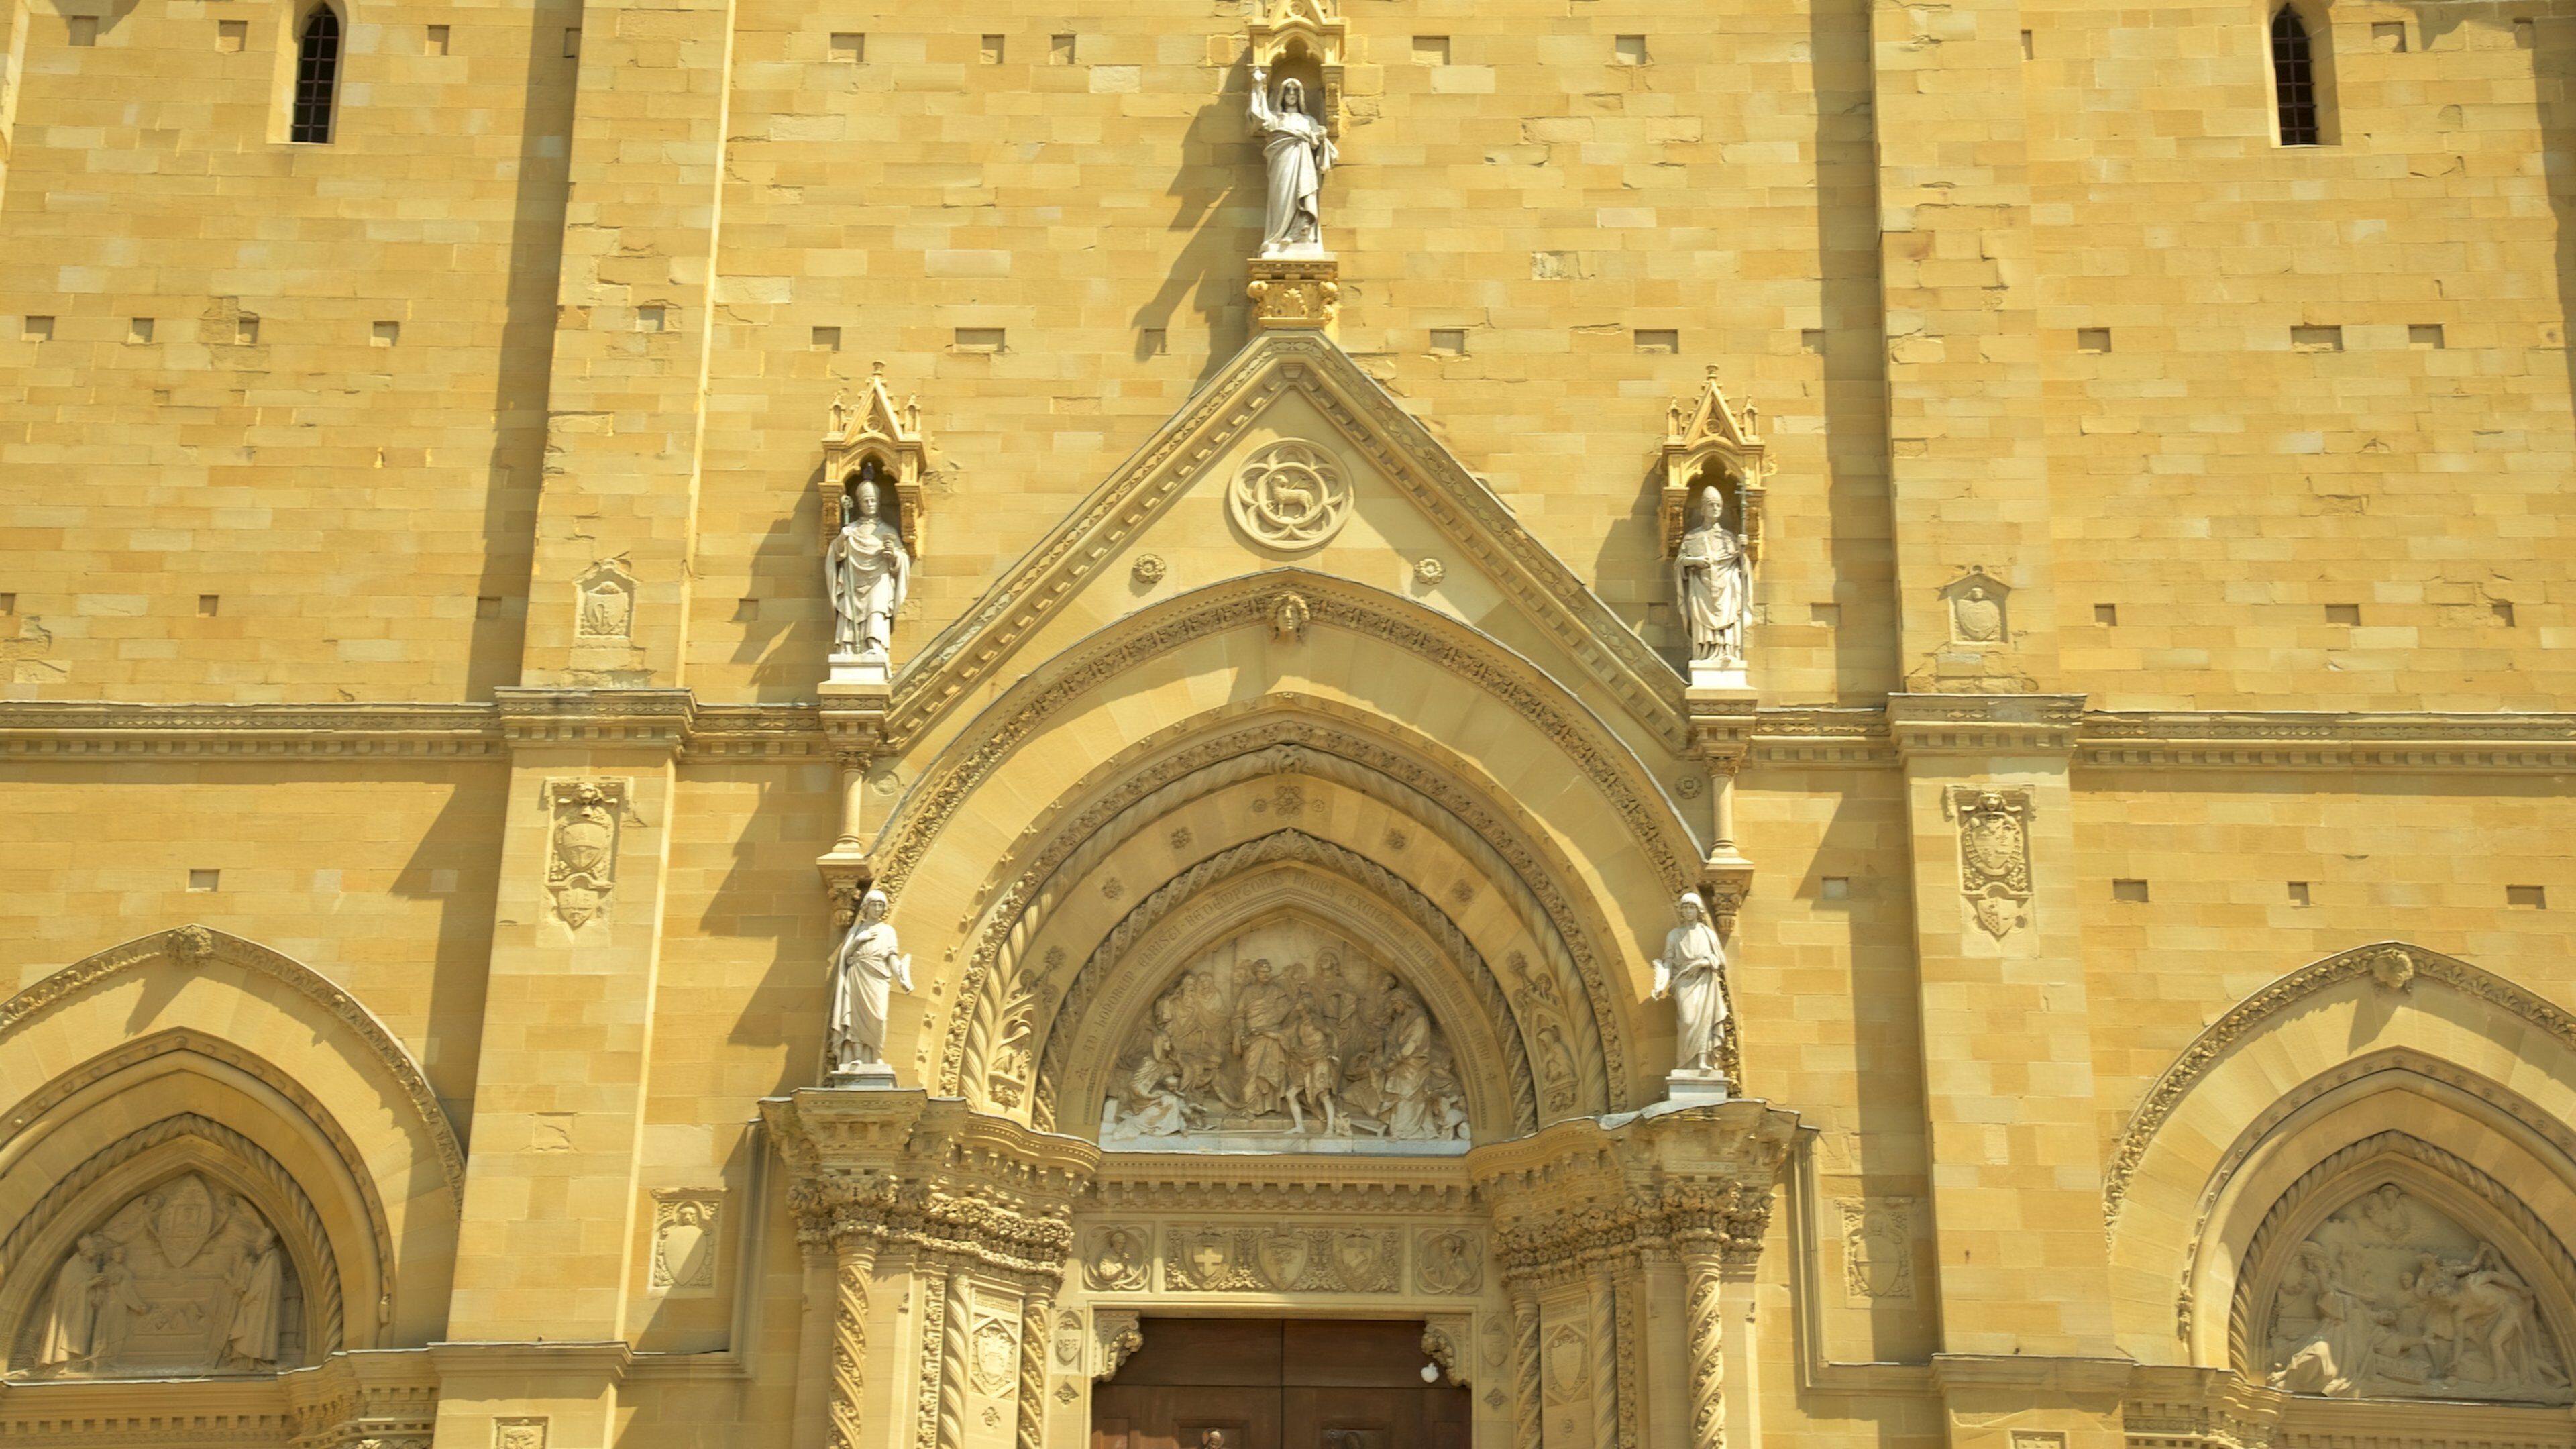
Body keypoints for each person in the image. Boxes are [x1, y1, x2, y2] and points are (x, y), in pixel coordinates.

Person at [1247, 67, 1333, 256]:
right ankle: (1278, 235)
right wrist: (1258, 87)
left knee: (1304, 193)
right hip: (1282, 163)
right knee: (1282, 195)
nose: (1292, 94)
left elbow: (1317, 144)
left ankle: (1299, 233)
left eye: (1295, 91)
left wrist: (1321, 138)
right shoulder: (1276, 118)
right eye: (1288, 91)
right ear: (1282, 95)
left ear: (1300, 95)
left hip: (1303, 162)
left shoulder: (1308, 120)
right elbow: (1259, 118)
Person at [827, 888, 914, 1075]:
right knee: (855, 1018)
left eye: (881, 905)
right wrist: (858, 940)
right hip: (858, 973)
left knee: (879, 1017)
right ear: (866, 907)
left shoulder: (887, 931)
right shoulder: (857, 930)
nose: (877, 909)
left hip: (878, 977)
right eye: (874, 905)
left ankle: (876, 1055)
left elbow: (892, 958)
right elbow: (845, 956)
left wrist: (902, 979)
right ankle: (858, 1056)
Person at [826, 470, 908, 660]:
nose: (871, 505)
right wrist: (842, 538)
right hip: (852, 580)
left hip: (879, 580)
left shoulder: (887, 530)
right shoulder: (851, 530)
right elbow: (835, 555)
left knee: (877, 608)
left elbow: (902, 558)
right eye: (866, 501)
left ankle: (875, 644)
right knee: (849, 609)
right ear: (860, 504)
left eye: (873, 501)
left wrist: (893, 556)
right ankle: (847, 646)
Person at [1653, 891, 1729, 1075]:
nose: (1688, 911)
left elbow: (1721, 960)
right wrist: (1661, 984)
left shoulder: (1707, 933)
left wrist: (1703, 963)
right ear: (1681, 910)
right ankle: (1685, 1062)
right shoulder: (1674, 935)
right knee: (1688, 1020)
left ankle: (1702, 1060)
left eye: (1692, 907)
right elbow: (1668, 962)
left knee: (1704, 1020)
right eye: (1685, 907)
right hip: (1683, 980)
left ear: (1698, 910)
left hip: (1704, 980)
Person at [1675, 486, 1749, 667]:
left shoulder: (1729, 538)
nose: (1715, 508)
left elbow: (1742, 566)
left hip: (1726, 588)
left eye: (1719, 505)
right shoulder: (1692, 537)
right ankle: (1704, 653)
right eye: (1711, 505)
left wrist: (1742, 550)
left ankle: (1726, 652)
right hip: (1702, 588)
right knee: (1702, 623)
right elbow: (1680, 562)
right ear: (1703, 509)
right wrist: (1695, 561)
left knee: (1729, 617)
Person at [36, 1235, 107, 1372]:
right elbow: (68, 1287)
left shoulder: (92, 1265)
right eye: (92, 1249)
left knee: (83, 1335)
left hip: (86, 1306)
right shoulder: (73, 1265)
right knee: (71, 1336)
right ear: (85, 1251)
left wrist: (97, 1286)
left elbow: (88, 1282)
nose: (95, 1251)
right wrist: (92, 1283)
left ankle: (78, 1363)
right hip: (71, 1310)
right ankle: (63, 1363)